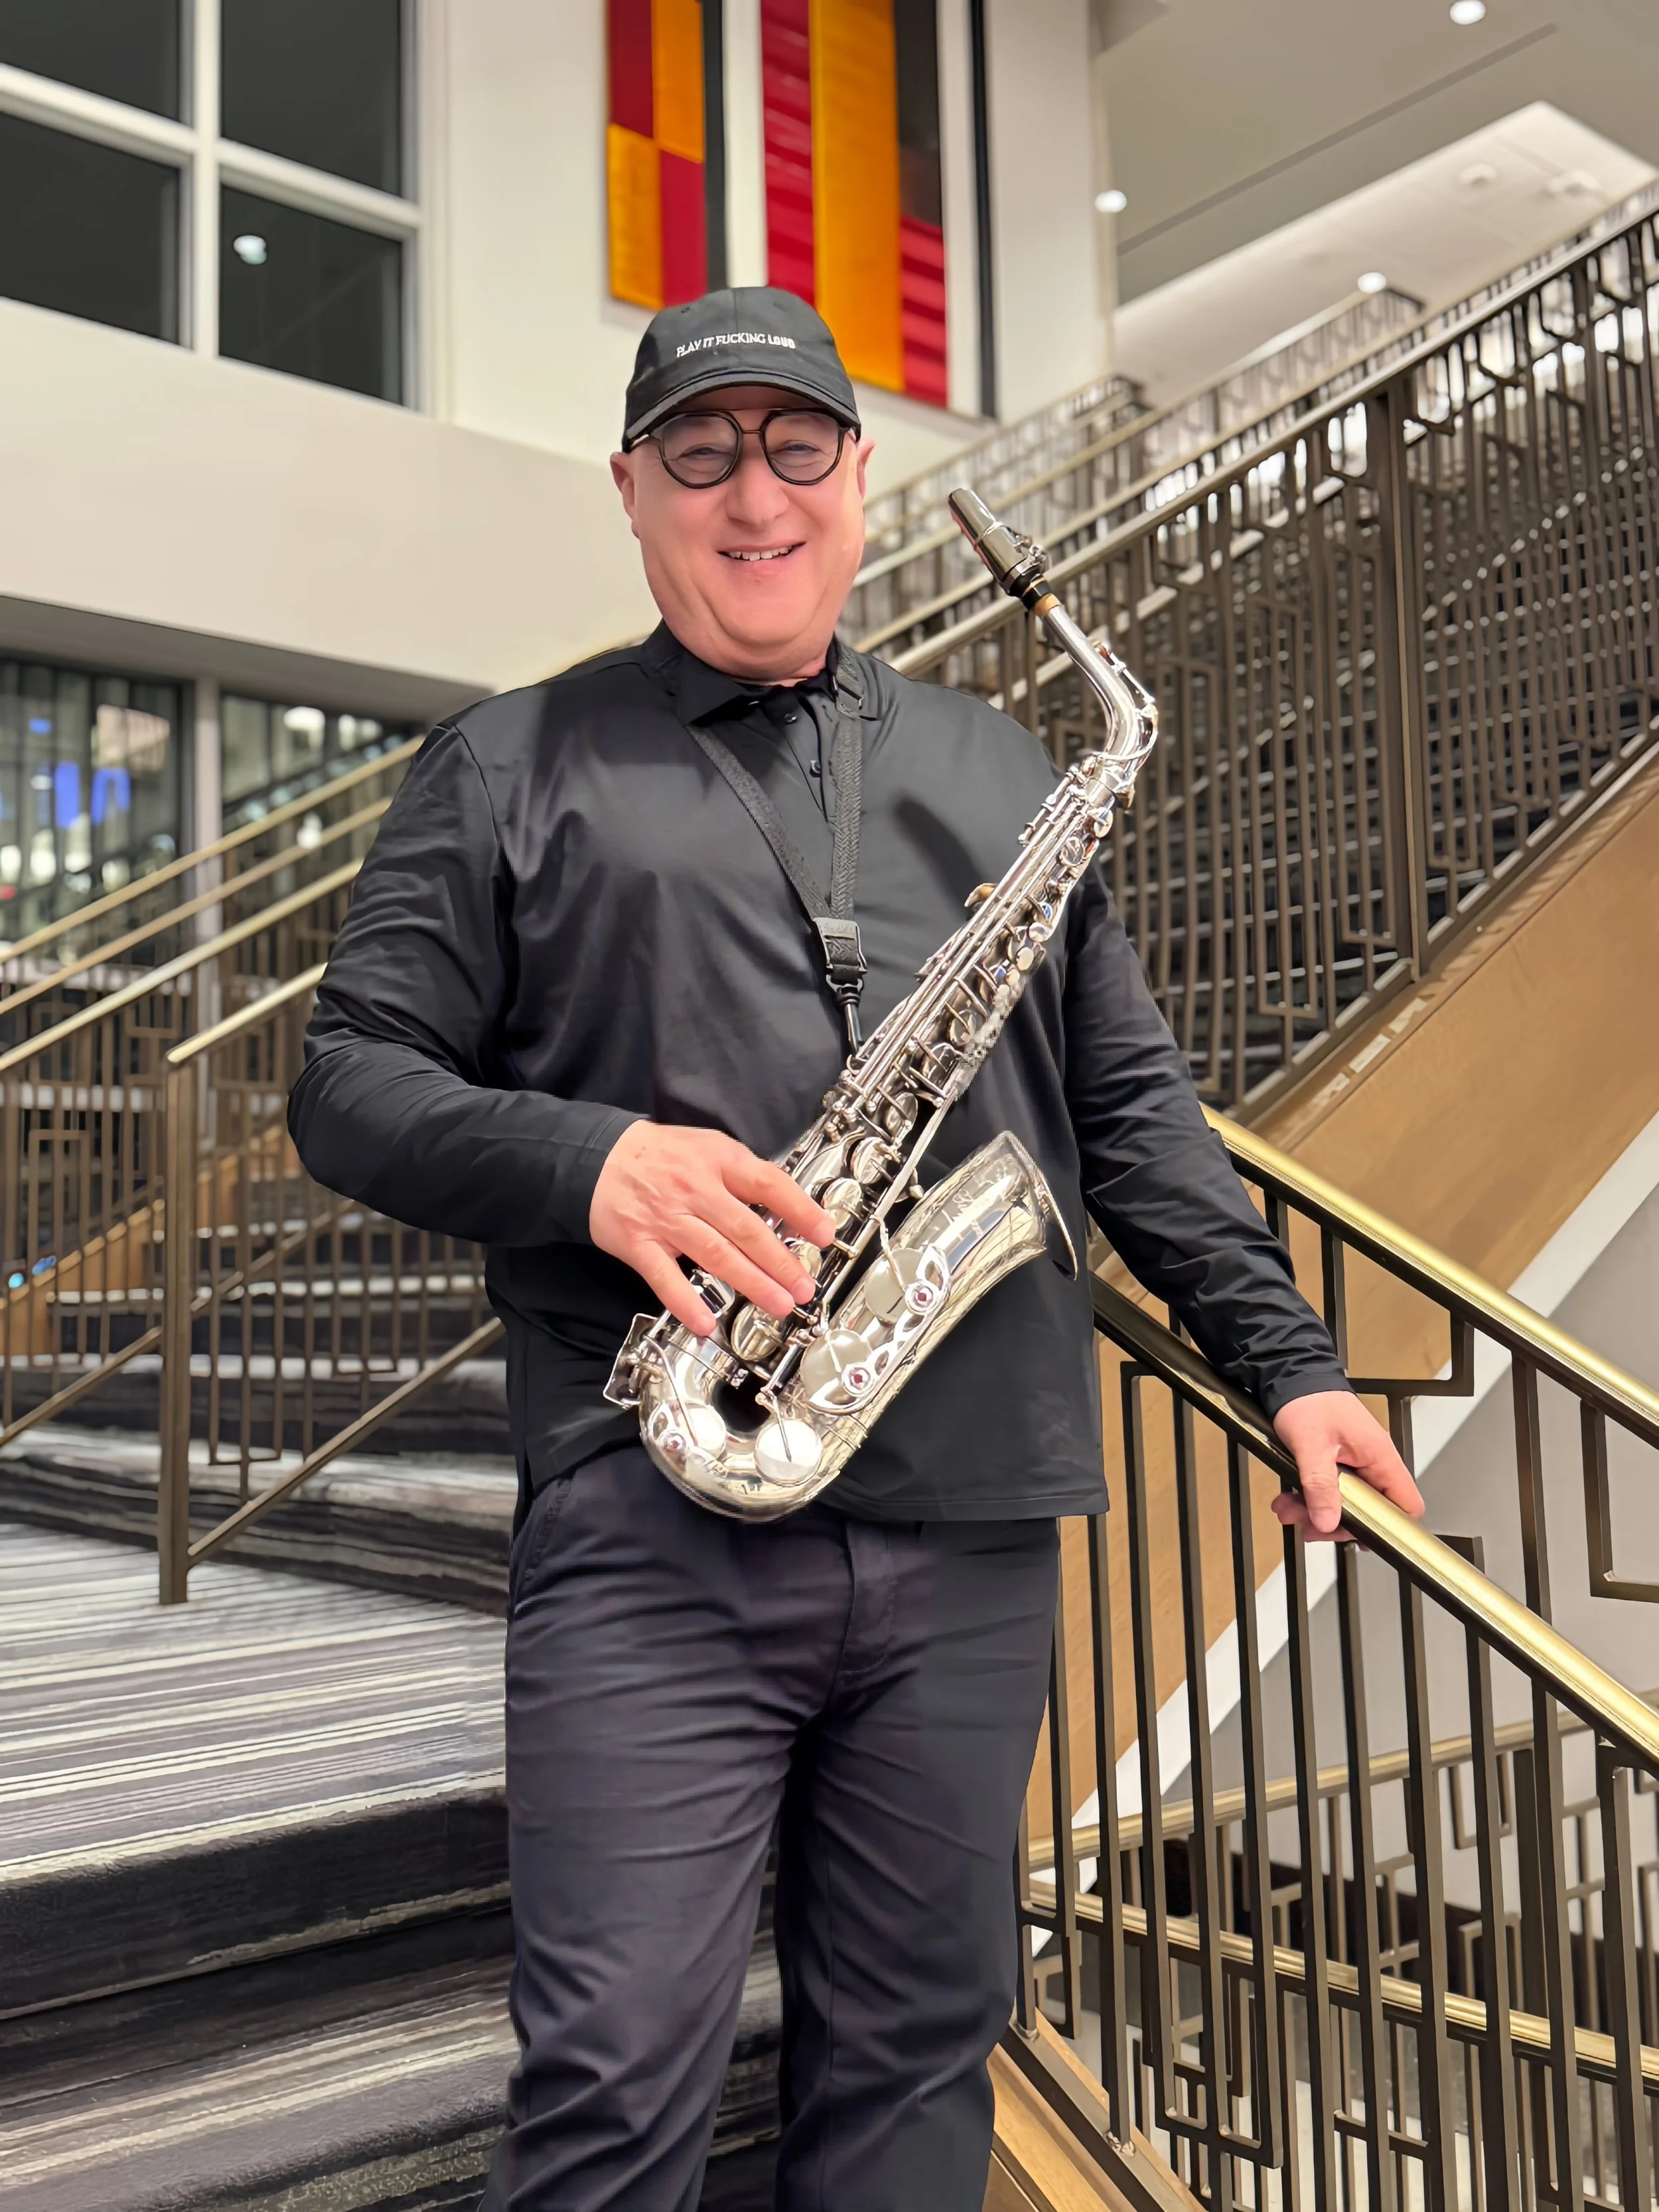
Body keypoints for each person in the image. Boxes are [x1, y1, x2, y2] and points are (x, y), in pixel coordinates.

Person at [288, 287, 1422, 2212]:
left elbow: (1130, 1114)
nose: (756, 494)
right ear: (632, 492)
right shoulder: (508, 763)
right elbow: (344, 1083)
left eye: (795, 443)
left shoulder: (995, 768)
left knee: (915, 2064)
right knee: (612, 2082)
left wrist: (1292, 1367)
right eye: (703, 451)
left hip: (968, 1518)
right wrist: (592, 1163)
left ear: (862, 480)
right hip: (655, 1517)